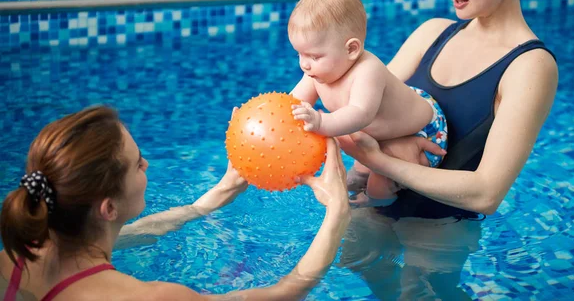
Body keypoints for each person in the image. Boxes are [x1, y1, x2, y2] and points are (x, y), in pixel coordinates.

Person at [336, 0, 558, 299]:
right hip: (375, 204)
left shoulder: (530, 66)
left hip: (439, 229)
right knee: (359, 269)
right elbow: (356, 111)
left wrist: (385, 161)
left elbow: (486, 193)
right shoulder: (431, 34)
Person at [0, 105, 351, 301]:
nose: (147, 165)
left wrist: (213, 199)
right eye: (137, 163)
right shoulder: (151, 298)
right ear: (107, 209)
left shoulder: (15, 257)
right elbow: (287, 292)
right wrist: (337, 211)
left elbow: (136, 232)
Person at [289, 0, 448, 207]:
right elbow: (291, 105)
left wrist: (321, 121)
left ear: (351, 49)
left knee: (378, 185)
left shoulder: (367, 71)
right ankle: (362, 176)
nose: (304, 64)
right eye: (299, 54)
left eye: (314, 56)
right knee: (359, 165)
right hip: (386, 129)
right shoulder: (317, 73)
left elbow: (360, 114)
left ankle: (375, 208)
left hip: (425, 131)